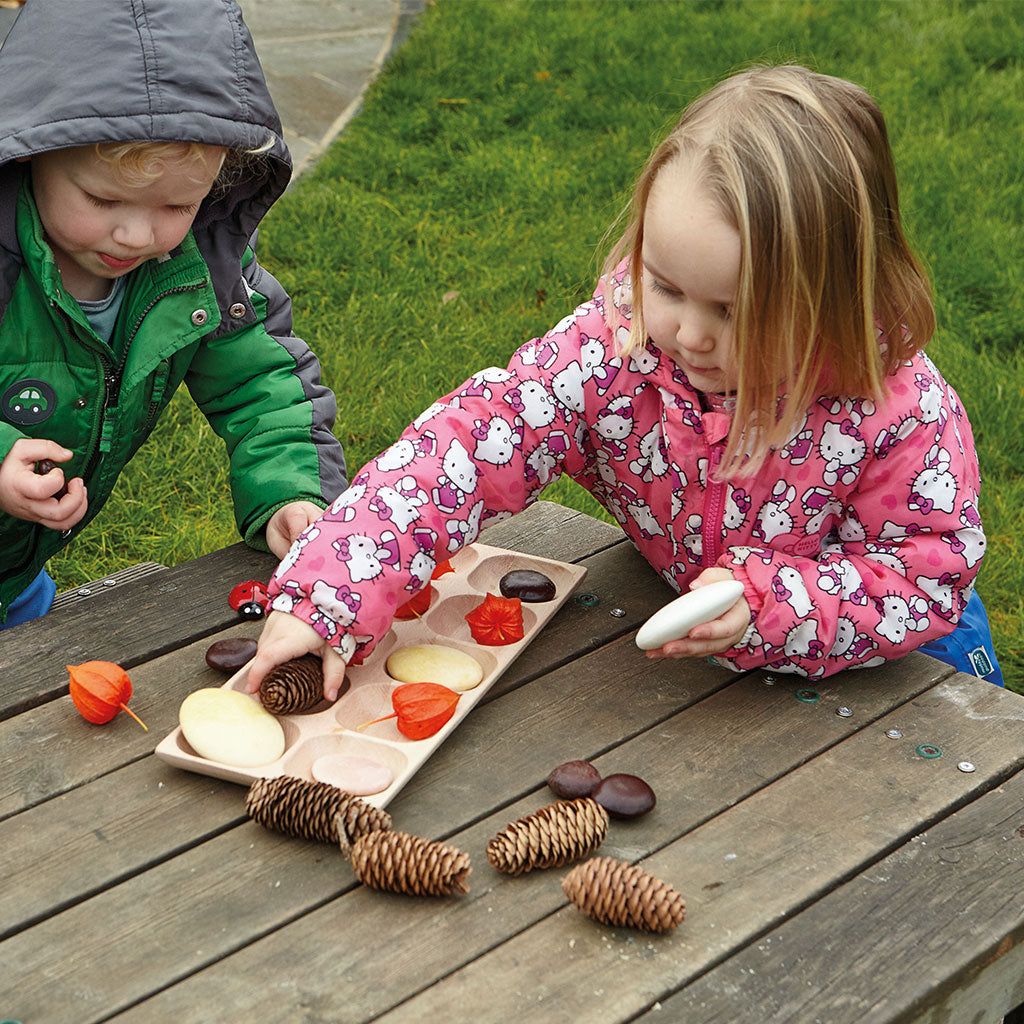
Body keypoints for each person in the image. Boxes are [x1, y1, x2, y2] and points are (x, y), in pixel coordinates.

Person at [247, 63, 1001, 699]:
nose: (691, 334)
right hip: (700, 659)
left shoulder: (894, 413)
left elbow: (920, 580)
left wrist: (770, 604)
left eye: (738, 313)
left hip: (896, 674)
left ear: (833, 297)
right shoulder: (618, 347)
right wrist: (329, 596)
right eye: (667, 285)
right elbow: (466, 449)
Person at [0, 0, 347, 629]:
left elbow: (261, 385)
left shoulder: (197, 272)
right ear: (29, 150)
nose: (135, 234)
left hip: (16, 579)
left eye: (177, 205)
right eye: (103, 198)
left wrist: (293, 492)